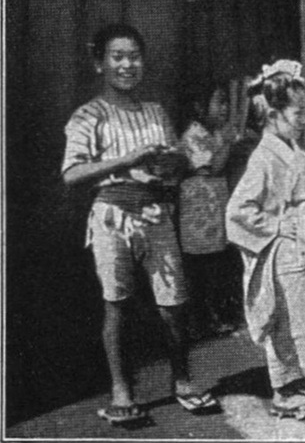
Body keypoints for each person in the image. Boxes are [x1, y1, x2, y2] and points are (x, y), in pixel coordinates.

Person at [62, 23, 220, 426]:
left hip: (156, 213)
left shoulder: (155, 112)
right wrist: (127, 161)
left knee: (174, 305)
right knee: (117, 304)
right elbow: (72, 174)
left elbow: (172, 167)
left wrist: (170, 165)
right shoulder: (88, 115)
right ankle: (122, 391)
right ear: (99, 63)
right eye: (117, 56)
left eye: (134, 56)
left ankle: (183, 381)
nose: (127, 65)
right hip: (112, 216)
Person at [225, 59, 305, 421]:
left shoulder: (291, 149)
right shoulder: (263, 157)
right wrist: (277, 224)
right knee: (288, 322)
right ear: (274, 115)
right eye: (298, 113)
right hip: (282, 253)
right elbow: (237, 211)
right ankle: (286, 390)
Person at [178, 79, 243, 338]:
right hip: (199, 213)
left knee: (216, 265)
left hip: (213, 211)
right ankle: (202, 321)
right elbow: (211, 167)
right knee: (202, 269)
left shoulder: (215, 132)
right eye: (219, 102)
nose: (224, 108)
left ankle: (214, 317)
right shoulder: (194, 135)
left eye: (226, 102)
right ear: (199, 107)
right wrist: (227, 143)